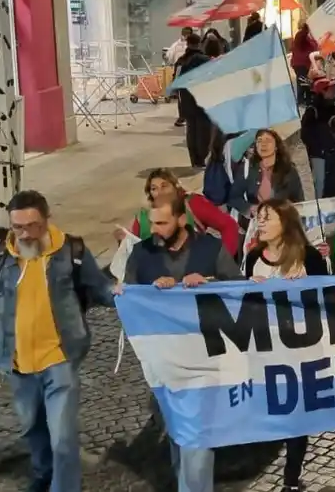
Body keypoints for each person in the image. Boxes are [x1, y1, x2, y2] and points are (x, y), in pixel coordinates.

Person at [0, 190, 116, 492]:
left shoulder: (71, 251)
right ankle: (43, 473)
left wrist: (131, 296)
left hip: (60, 359)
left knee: (63, 439)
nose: (26, 234)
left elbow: (100, 288)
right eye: (18, 227)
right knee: (33, 429)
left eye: (33, 226)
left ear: (46, 219)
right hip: (17, 364)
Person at [117, 198, 240, 492]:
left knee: (195, 440)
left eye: (162, 223)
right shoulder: (141, 253)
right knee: (178, 437)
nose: (155, 230)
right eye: (152, 224)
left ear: (181, 219)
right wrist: (142, 291)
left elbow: (238, 290)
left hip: (205, 361)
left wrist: (209, 283)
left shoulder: (210, 249)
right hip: (164, 364)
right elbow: (129, 297)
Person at [243, 200, 328, 492]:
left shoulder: (310, 257)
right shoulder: (253, 257)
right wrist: (249, 292)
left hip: (300, 354)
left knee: (296, 419)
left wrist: (308, 286)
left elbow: (330, 301)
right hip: (265, 353)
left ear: (286, 223)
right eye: (259, 218)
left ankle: (291, 478)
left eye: (267, 218)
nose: (261, 223)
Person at [120, 168, 241, 257]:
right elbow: (132, 252)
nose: (160, 192)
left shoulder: (193, 204)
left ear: (175, 187)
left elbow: (229, 225)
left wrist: (222, 260)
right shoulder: (142, 218)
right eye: (154, 188)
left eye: (164, 186)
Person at [230, 128, 305, 228]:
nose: (263, 144)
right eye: (259, 141)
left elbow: (299, 201)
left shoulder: (289, 170)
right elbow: (233, 197)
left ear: (276, 146)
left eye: (268, 140)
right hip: (256, 226)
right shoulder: (247, 168)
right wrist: (249, 208)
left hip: (282, 225)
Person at [173, 35, 212, 167]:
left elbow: (175, 82)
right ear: (199, 44)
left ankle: (194, 160)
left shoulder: (181, 61)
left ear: (187, 44)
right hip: (203, 99)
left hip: (186, 101)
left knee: (191, 130)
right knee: (204, 130)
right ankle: (202, 159)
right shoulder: (206, 60)